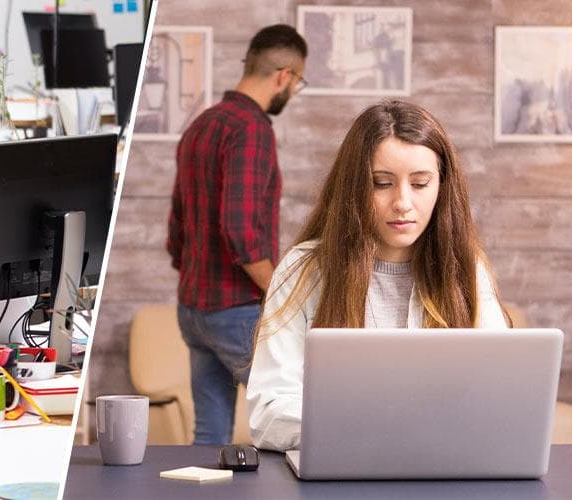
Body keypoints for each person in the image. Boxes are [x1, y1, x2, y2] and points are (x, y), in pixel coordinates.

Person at [246, 100, 512, 453]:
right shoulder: (303, 270)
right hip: (343, 469)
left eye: (420, 183)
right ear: (354, 187)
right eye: (382, 183)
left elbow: (501, 396)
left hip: (442, 468)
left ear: (442, 186)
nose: (402, 202)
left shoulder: (467, 268)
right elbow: (269, 412)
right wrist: (380, 430)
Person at [165, 24, 308, 445]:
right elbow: (241, 233)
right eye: (298, 82)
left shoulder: (202, 125)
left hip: (193, 310)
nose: (294, 90)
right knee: (302, 421)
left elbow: (178, 229)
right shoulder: (251, 129)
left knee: (209, 436)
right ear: (284, 75)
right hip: (237, 311)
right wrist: (281, 293)